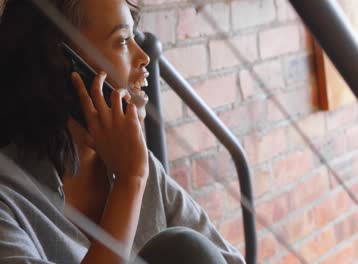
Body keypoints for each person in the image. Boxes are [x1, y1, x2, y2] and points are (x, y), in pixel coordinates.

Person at [0, 0, 245, 263]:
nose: (144, 58)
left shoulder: (135, 164)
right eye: (123, 41)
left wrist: (134, 175)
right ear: (63, 65)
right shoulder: (9, 197)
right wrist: (129, 183)